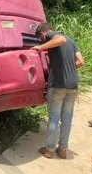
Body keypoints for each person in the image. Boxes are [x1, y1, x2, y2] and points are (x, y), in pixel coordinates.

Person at [32, 22, 85, 159]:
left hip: (57, 85)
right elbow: (80, 62)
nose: (41, 40)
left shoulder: (51, 36)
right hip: (72, 85)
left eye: (40, 38)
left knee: (54, 118)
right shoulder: (72, 41)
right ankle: (62, 149)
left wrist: (40, 47)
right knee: (67, 118)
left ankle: (49, 149)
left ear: (42, 33)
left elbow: (60, 40)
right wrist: (67, 69)